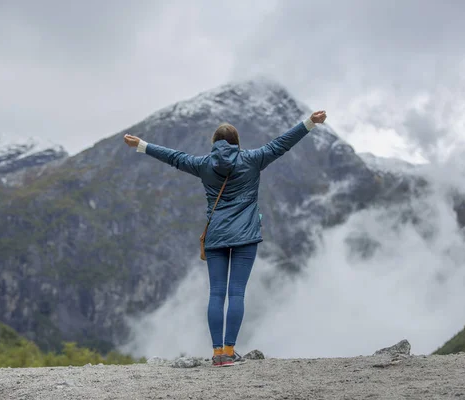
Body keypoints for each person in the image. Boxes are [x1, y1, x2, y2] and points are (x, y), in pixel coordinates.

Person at [124, 110, 327, 367]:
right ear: (237, 142)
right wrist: (310, 122)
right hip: (245, 236)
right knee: (236, 293)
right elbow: (282, 144)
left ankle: (217, 353)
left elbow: (174, 158)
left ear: (214, 143)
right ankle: (230, 351)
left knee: (216, 293)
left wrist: (141, 145)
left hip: (216, 235)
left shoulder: (204, 165)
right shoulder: (253, 159)